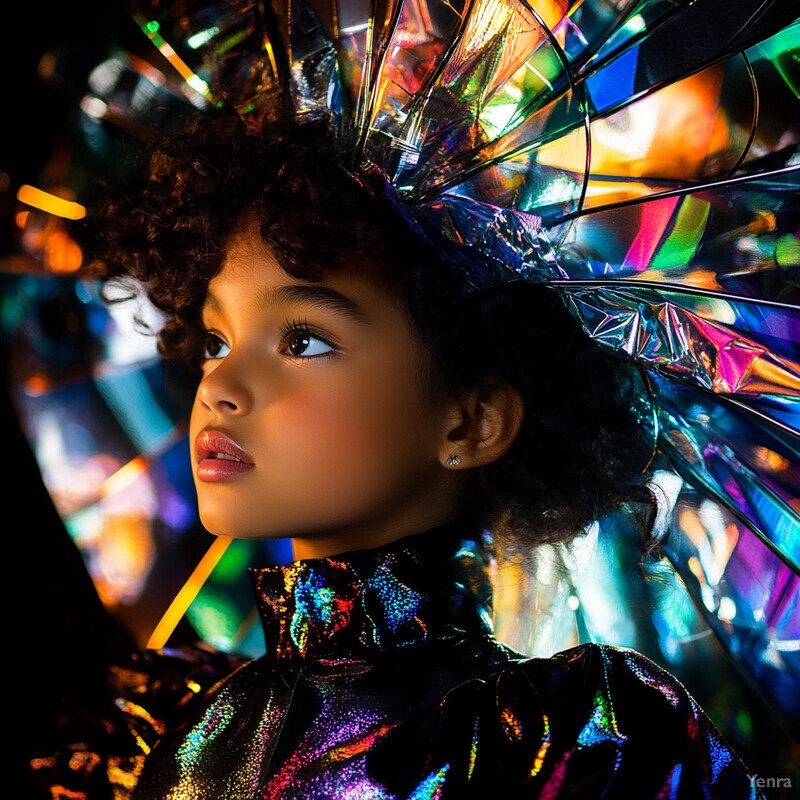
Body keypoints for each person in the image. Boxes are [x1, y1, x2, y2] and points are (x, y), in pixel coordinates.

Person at [31, 109, 763, 799]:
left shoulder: (571, 739)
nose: (219, 383)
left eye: (302, 341)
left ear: (471, 424)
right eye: (217, 339)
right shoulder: (158, 720)